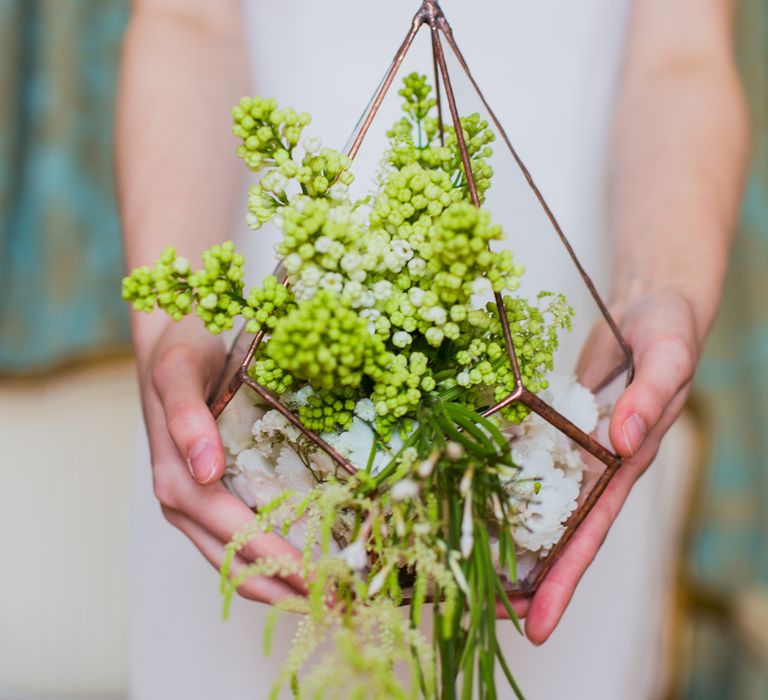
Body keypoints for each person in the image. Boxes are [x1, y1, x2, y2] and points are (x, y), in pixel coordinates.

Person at [118, 0, 747, 697]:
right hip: (262, 367)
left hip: (562, 389)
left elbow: (679, 55)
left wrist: (660, 284)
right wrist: (178, 323)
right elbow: (187, 25)